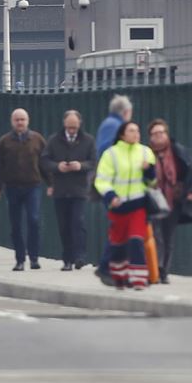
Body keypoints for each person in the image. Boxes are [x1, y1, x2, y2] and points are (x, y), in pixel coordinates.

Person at [94, 122, 156, 290]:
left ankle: (139, 280)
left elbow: (153, 182)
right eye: (131, 131)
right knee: (118, 244)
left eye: (137, 130)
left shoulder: (145, 152)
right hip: (118, 206)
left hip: (138, 205)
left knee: (136, 240)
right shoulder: (111, 154)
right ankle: (119, 277)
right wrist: (110, 196)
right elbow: (102, 180)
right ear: (122, 134)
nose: (136, 133)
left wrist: (149, 170)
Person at [41, 110, 96, 271]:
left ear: (79, 125)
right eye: (69, 127)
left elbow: (93, 161)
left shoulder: (88, 140)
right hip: (61, 188)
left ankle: (79, 256)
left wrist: (81, 166)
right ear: (65, 125)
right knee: (63, 225)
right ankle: (67, 259)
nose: (72, 131)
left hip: (79, 188)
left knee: (77, 222)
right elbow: (44, 160)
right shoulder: (54, 140)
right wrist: (57, 167)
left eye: (74, 127)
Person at [147, 119, 192, 284]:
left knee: (168, 238)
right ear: (150, 137)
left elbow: (190, 172)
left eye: (161, 133)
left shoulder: (178, 151)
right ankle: (155, 269)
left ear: (167, 134)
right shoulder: (146, 154)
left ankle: (164, 271)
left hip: (173, 200)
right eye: (155, 134)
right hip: (152, 200)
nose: (159, 137)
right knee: (156, 237)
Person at [0, 109, 48, 271]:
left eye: (23, 119)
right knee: (16, 224)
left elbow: (44, 163)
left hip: (32, 186)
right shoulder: (4, 141)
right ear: (12, 121)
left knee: (33, 220)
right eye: (17, 120)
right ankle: (20, 259)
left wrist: (51, 183)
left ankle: (34, 258)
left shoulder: (37, 139)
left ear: (28, 121)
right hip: (12, 187)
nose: (20, 122)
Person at [94, 94, 133, 285]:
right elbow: (107, 151)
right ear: (126, 112)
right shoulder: (114, 126)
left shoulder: (109, 124)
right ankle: (105, 266)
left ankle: (114, 268)